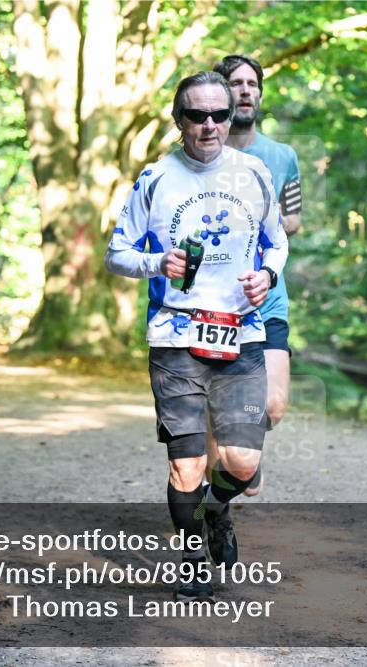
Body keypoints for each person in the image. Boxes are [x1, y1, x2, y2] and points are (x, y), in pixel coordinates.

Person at [105, 71, 288, 601]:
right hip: (175, 339)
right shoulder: (156, 179)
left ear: (232, 118)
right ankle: (189, 554)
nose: (209, 126)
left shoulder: (254, 173)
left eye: (219, 115)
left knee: (242, 463)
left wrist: (268, 276)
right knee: (186, 464)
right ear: (178, 119)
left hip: (242, 338)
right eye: (196, 115)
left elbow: (276, 243)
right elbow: (117, 254)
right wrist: (157, 261)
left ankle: (218, 509)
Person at [210, 54, 303, 497]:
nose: (245, 89)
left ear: (260, 93)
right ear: (221, 93)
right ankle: (215, 497)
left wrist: (264, 220)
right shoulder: (202, 154)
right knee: (214, 407)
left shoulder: (283, 156)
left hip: (268, 297)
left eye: (252, 83)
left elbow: (296, 219)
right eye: (236, 82)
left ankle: (235, 465)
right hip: (210, 301)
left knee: (272, 405)